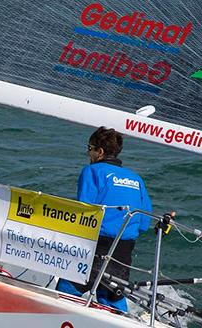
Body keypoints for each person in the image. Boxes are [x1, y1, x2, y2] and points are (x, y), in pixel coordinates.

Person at [56, 126, 152, 312]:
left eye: (89, 147)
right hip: (124, 248)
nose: (87, 152)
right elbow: (144, 222)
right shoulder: (136, 178)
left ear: (99, 152)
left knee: (68, 291)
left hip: (97, 244)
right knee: (112, 297)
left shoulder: (93, 171)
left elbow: (84, 209)